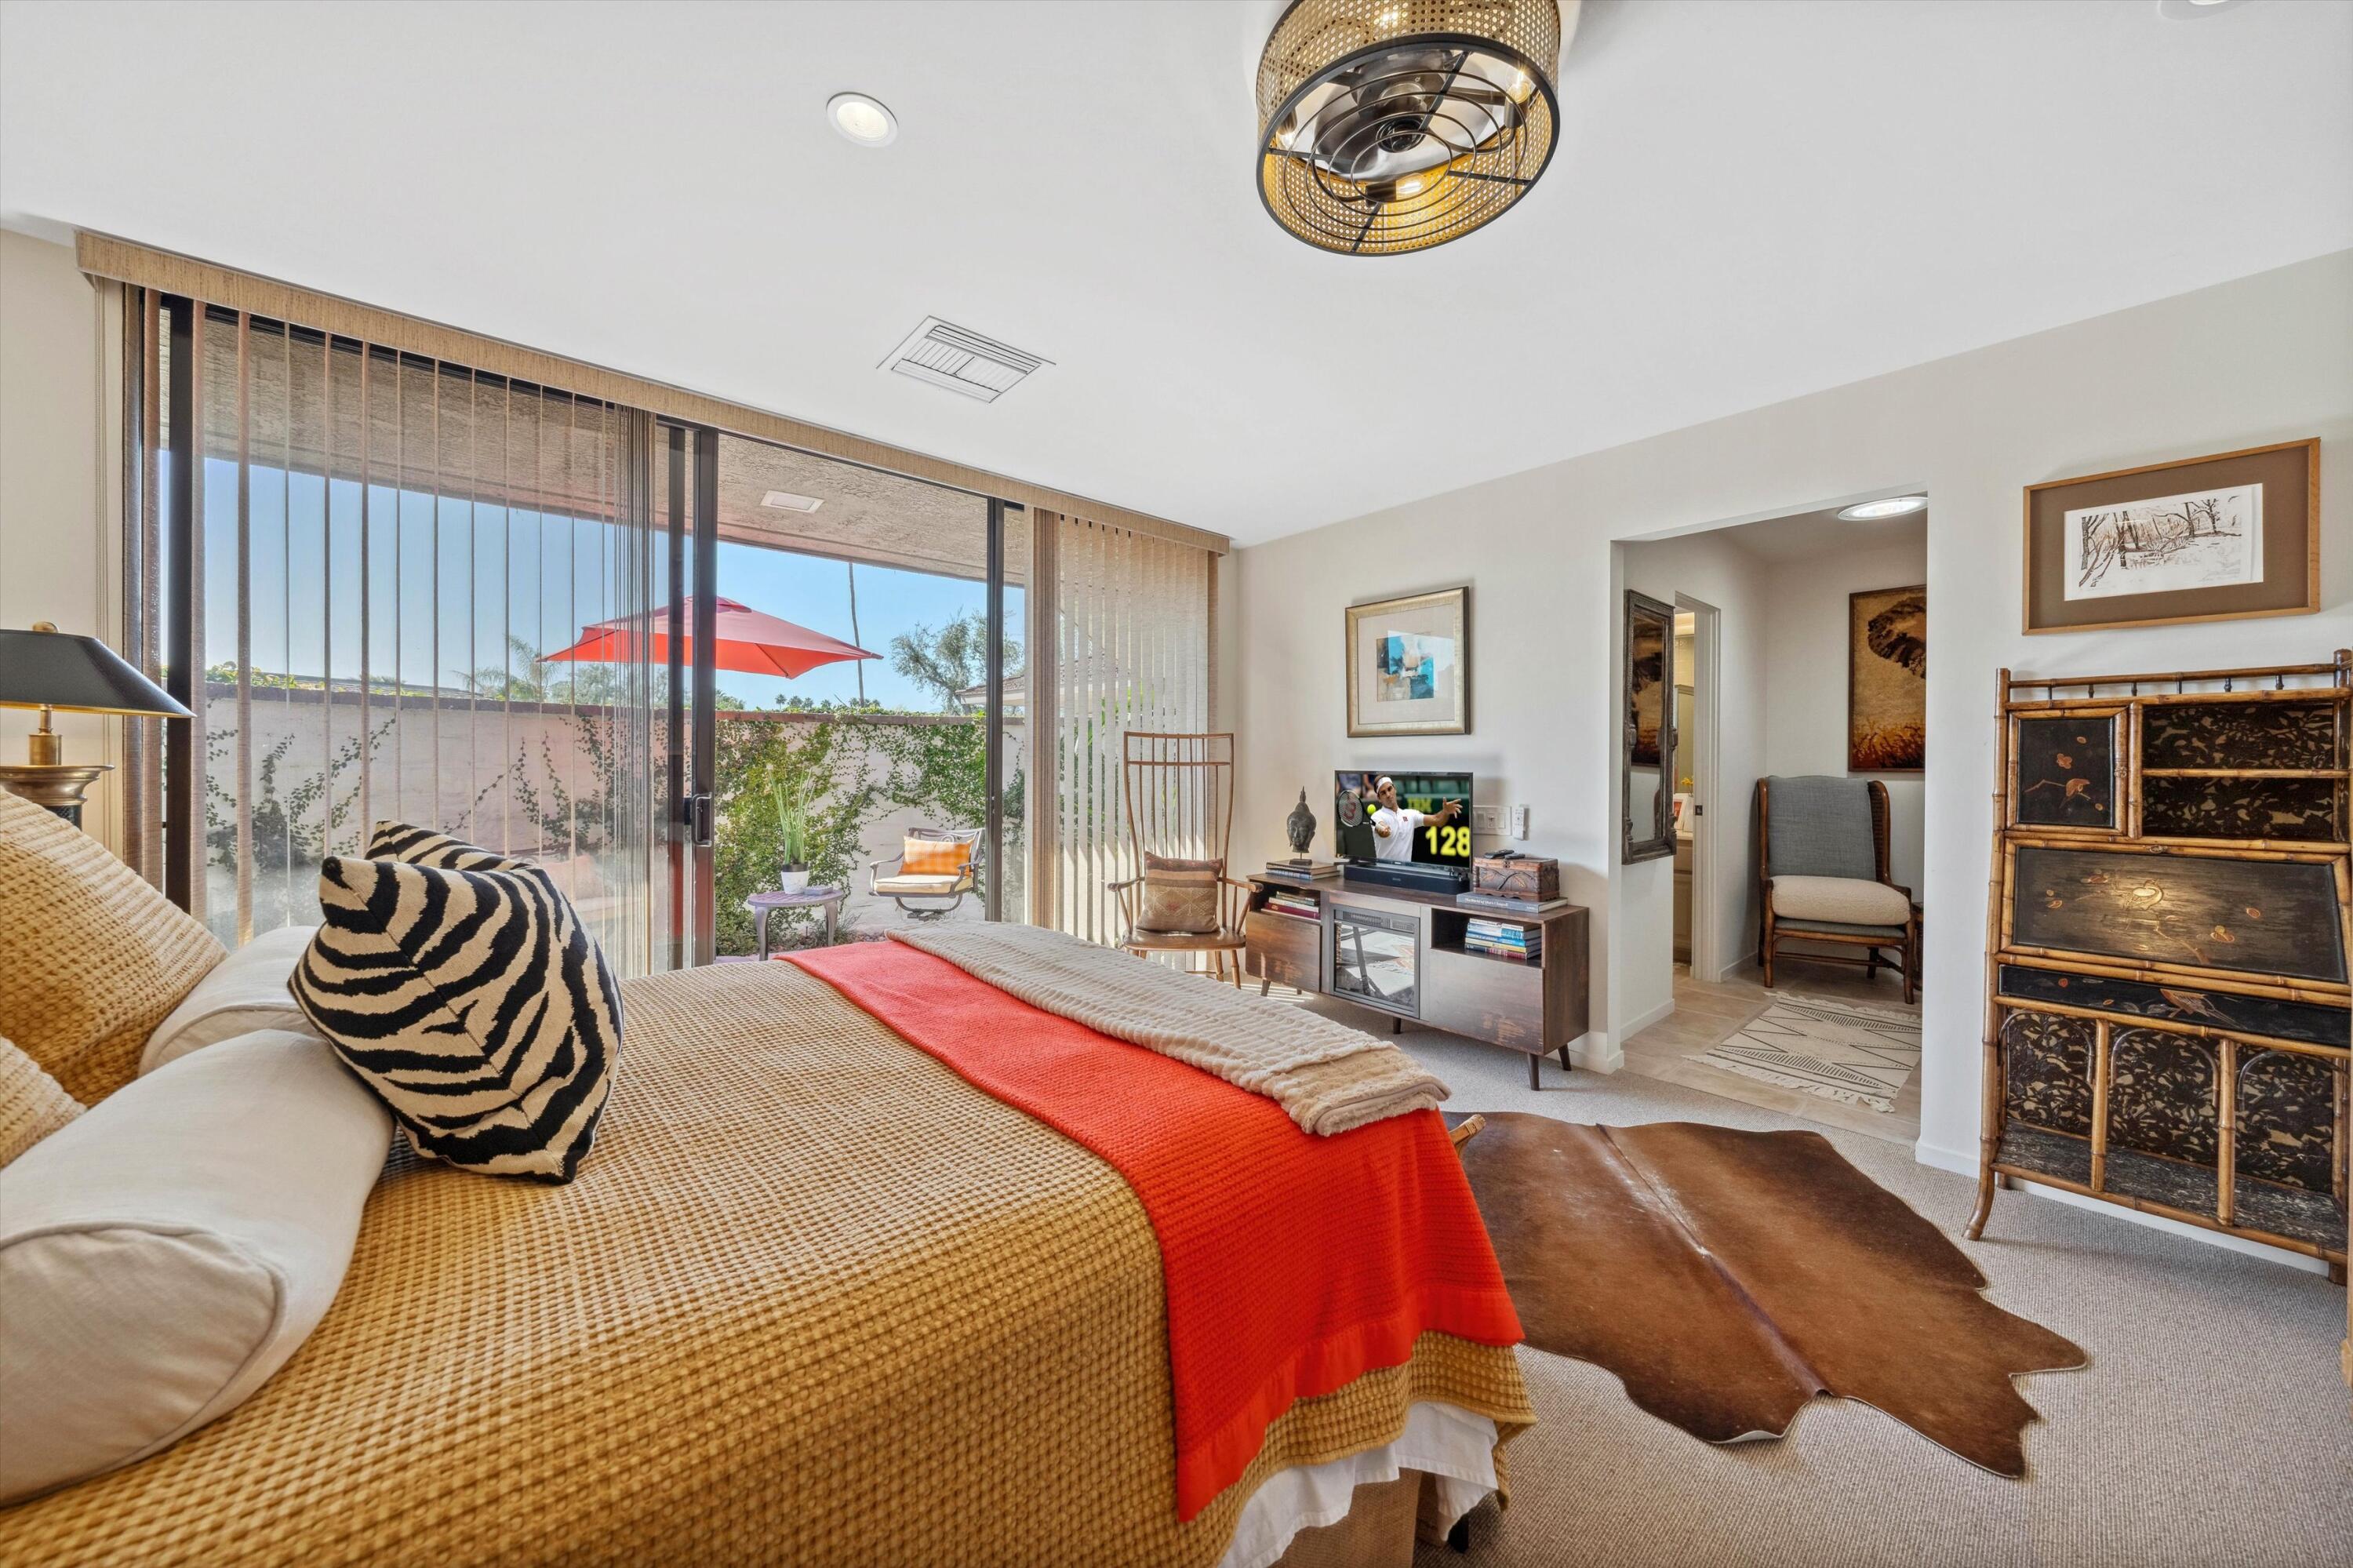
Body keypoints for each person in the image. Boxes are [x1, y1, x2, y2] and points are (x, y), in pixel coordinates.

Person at [1370, 775, 1460, 863]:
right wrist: (1383, 829)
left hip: (1405, 871)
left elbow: (1438, 820)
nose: (1388, 794)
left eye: (1390, 789)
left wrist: (1445, 812)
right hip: (1384, 871)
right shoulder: (1377, 816)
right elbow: (1380, 827)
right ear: (1379, 798)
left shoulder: (1410, 815)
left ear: (1395, 789)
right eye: (1383, 793)